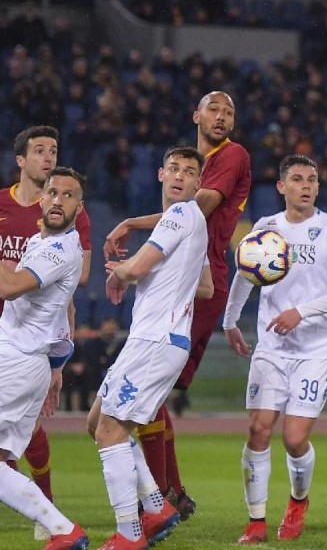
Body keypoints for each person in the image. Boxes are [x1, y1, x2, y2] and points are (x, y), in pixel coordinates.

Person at [103, 91, 252, 518]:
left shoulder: (232, 155)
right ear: (195, 115)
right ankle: (170, 492)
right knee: (154, 396)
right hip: (192, 275)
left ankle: (161, 496)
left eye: (229, 111)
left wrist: (132, 226)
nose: (222, 117)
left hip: (200, 276)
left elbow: (195, 208)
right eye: (214, 109)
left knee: (148, 396)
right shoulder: (191, 167)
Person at [222, 155, 327, 544]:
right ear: (281, 186)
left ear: (318, 187)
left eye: (312, 179)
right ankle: (256, 522)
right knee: (258, 428)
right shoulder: (266, 228)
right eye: (297, 179)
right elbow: (245, 275)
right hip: (273, 345)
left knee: (295, 438)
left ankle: (298, 501)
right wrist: (230, 320)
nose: (306, 185)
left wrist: (301, 312)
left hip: (317, 347)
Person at [87, 146, 213, 549]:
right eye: (173, 168)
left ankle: (130, 533)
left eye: (188, 171)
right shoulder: (191, 221)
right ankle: (157, 506)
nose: (179, 175)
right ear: (160, 174)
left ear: (198, 183)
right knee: (96, 423)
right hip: (156, 339)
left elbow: (137, 266)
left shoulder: (179, 214)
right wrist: (138, 257)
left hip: (155, 340)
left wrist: (119, 273)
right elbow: (206, 286)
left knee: (109, 431)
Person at [0, 125, 92, 541]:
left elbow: (10, 287)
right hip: (23, 358)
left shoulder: (60, 249)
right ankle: (60, 530)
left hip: (17, 361)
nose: (57, 200)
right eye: (52, 193)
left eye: (67, 195)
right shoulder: (42, 241)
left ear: (80, 206)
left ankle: (62, 528)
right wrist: (57, 363)